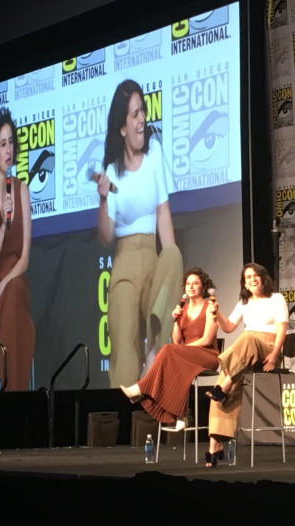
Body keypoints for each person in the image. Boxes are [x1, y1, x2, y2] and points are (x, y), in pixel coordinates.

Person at [94, 79, 183, 388]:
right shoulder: (112, 170)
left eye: (142, 110)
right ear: (122, 127)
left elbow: (163, 214)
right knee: (123, 359)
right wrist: (104, 199)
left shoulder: (155, 153)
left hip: (152, 259)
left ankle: (155, 349)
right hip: (125, 265)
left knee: (173, 254)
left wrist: (174, 281)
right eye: (134, 114)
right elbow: (105, 236)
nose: (142, 118)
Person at [204, 262, 288, 467]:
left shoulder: (276, 299)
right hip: (245, 354)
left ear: (262, 277)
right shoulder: (244, 302)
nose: (252, 279)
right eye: (247, 277)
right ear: (244, 283)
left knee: (247, 338)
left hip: (267, 347)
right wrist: (217, 315)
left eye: (255, 275)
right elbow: (230, 326)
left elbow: (282, 328)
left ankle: (225, 384)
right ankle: (214, 445)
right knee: (220, 390)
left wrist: (275, 354)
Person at [119, 267, 220, 430]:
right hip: (187, 356)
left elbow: (207, 339)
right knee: (173, 356)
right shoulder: (184, 309)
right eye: (188, 284)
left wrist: (183, 350)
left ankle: (140, 388)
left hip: (208, 355)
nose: (191, 287)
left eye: (195, 283)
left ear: (203, 286)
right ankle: (180, 416)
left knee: (168, 350)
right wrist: (176, 320)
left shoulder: (210, 307)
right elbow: (177, 340)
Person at [0, 106, 35, 391]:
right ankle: (2, 378)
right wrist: (3, 226)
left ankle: (1, 379)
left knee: (13, 290)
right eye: (3, 143)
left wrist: (5, 285)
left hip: (15, 284)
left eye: (11, 141)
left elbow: (25, 258)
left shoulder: (23, 190)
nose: (9, 149)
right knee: (5, 294)